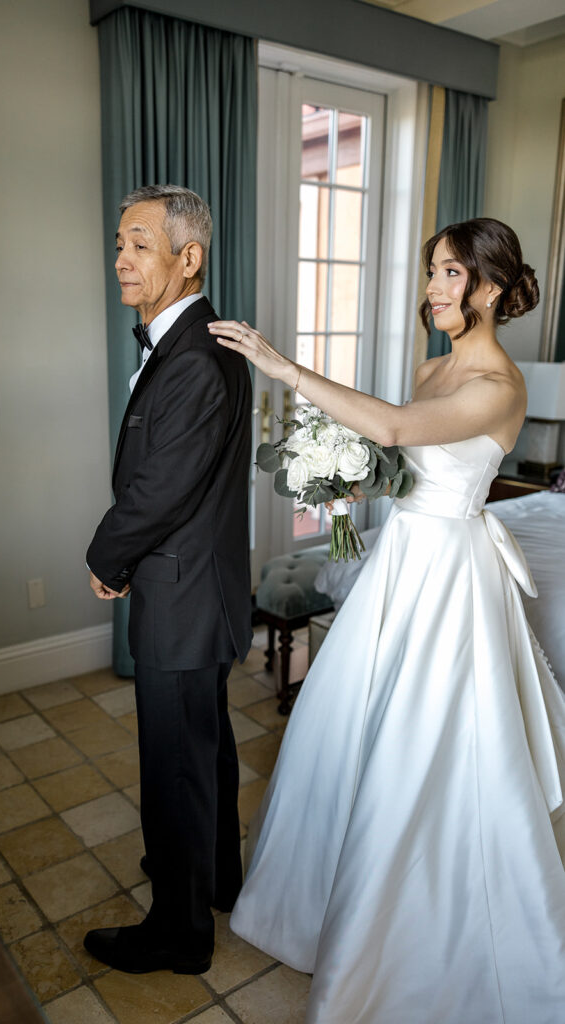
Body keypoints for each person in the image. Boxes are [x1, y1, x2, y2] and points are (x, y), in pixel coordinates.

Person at [209, 218, 565, 1023]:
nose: (433, 289)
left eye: (450, 275)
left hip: (447, 577)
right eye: (432, 272)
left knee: (424, 742)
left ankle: (412, 937)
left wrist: (281, 367)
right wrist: (349, 482)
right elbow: (405, 465)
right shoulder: (429, 367)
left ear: (495, 289)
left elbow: (399, 430)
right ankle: (314, 904)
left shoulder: (500, 388)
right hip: (398, 563)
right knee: (350, 727)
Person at [84, 185, 252, 975]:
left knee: (175, 766)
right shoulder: (196, 342)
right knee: (203, 751)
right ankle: (211, 876)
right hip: (199, 590)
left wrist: (103, 557)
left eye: (140, 243)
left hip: (181, 599)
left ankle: (179, 934)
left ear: (188, 258)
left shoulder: (196, 357)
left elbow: (158, 490)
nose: (121, 257)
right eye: (119, 241)